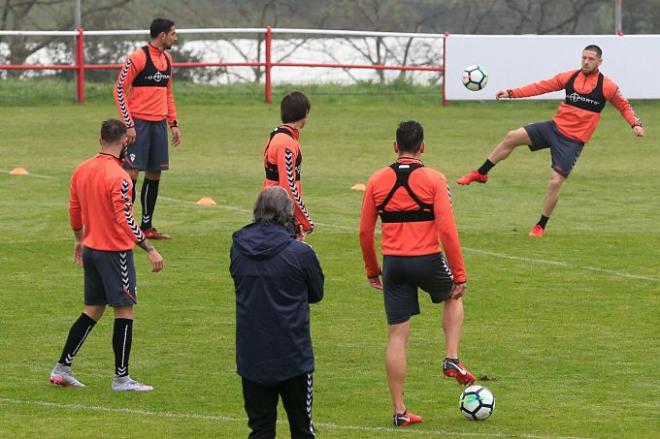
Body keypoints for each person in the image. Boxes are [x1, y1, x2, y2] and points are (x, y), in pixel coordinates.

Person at [456, 44, 644, 237]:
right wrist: (512, 93)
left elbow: (624, 106)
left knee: (554, 183)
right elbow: (540, 87)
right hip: (553, 128)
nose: (586, 62)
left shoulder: (608, 86)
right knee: (512, 136)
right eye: (584, 58)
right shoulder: (570, 77)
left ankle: (540, 225)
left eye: (591, 59)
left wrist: (635, 124)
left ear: (599, 62)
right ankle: (481, 173)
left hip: (572, 142)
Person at [359, 121, 474, 428]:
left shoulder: (376, 179)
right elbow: (447, 231)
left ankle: (399, 411)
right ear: (422, 147)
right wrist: (459, 274)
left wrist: (373, 269)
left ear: (395, 146)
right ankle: (451, 357)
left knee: (397, 337)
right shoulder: (435, 179)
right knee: (454, 294)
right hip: (427, 260)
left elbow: (365, 231)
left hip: (394, 265)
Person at [49, 119, 164, 391]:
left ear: (100, 139)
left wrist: (79, 239)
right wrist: (149, 248)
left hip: (91, 249)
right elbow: (125, 218)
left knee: (93, 308)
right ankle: (121, 379)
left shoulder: (82, 169)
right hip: (115, 252)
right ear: (125, 142)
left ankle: (62, 368)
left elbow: (74, 210)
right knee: (124, 311)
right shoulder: (120, 177)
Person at [230, 186, 324, 439]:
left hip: (252, 354)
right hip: (292, 355)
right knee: (302, 429)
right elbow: (316, 293)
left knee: (260, 429)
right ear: (288, 216)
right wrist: (299, 247)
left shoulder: (238, 246)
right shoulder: (300, 253)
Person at [113, 18, 182, 240]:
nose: (175, 37)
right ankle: (123, 225)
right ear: (162, 35)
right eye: (173, 34)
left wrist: (173, 123)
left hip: (159, 125)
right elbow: (119, 91)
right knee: (131, 173)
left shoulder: (168, 59)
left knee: (154, 173)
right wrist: (129, 124)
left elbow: (168, 93)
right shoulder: (137, 57)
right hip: (139, 125)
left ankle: (146, 227)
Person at [261, 91, 314, 237]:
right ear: (304, 113)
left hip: (270, 206)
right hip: (280, 213)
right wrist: (305, 221)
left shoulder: (278, 136)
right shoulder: (286, 143)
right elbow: (288, 186)